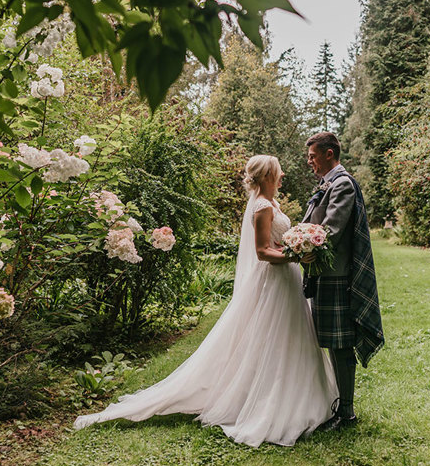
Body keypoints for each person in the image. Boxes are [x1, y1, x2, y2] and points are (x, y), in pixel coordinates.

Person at [74, 155, 336, 447]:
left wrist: (295, 246)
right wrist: (295, 254)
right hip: (274, 280)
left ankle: (299, 394)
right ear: (267, 176)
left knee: (292, 336)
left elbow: (276, 243)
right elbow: (262, 251)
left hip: (287, 279)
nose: (283, 174)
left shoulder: (273, 204)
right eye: (278, 171)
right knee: (274, 338)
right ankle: (269, 400)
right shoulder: (261, 207)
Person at [302, 131, 384, 431]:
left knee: (340, 344)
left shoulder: (343, 184)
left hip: (337, 276)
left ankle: (346, 412)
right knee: (332, 344)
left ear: (329, 153)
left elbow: (331, 231)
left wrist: (304, 248)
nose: (309, 161)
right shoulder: (326, 184)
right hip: (324, 274)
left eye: (313, 156)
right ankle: (340, 406)